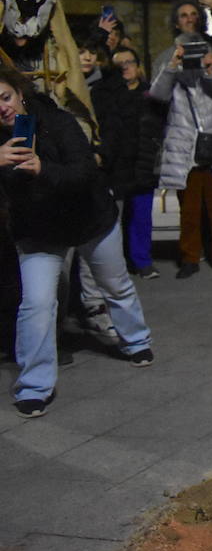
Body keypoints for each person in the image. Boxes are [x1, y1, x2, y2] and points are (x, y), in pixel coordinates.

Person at [0, 66, 153, 417]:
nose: (3, 109)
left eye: (5, 98)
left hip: (89, 220)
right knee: (37, 304)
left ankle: (137, 340)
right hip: (38, 231)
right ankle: (35, 386)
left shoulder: (57, 122)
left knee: (114, 283)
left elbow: (85, 171)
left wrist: (42, 169)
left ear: (19, 94)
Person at [148, 9, 212, 278]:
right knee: (189, 210)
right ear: (175, 21)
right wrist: (172, 64)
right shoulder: (167, 56)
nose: (188, 18)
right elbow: (157, 94)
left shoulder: (210, 53)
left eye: (193, 14)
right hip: (184, 142)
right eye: (182, 15)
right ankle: (190, 257)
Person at [92, 46, 159, 279]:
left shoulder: (151, 94)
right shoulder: (106, 95)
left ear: (138, 66)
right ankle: (116, 264)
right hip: (116, 165)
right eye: (120, 64)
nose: (126, 67)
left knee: (141, 217)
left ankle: (142, 261)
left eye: (129, 62)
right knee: (113, 219)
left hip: (143, 162)